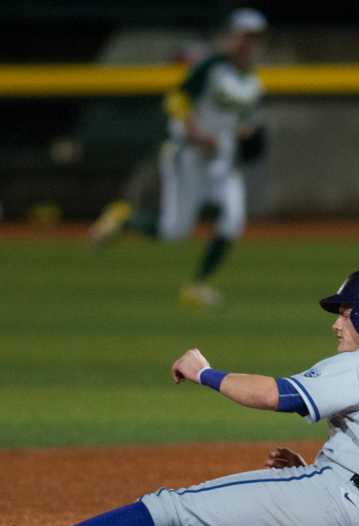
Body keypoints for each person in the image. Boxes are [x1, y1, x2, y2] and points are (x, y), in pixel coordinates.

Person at [0, 270, 359, 526]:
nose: (337, 324)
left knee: (170, 507)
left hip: (333, 506)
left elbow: (276, 395)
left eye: (348, 314)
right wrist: (311, 472)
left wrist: (204, 372)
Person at [89, 7, 269, 307]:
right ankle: (125, 221)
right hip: (189, 154)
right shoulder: (211, 68)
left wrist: (245, 135)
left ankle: (197, 286)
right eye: (243, 36)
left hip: (223, 159)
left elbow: (241, 122)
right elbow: (176, 100)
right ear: (231, 37)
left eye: (254, 37)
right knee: (175, 231)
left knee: (233, 221)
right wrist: (195, 132)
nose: (247, 43)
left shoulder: (254, 82)